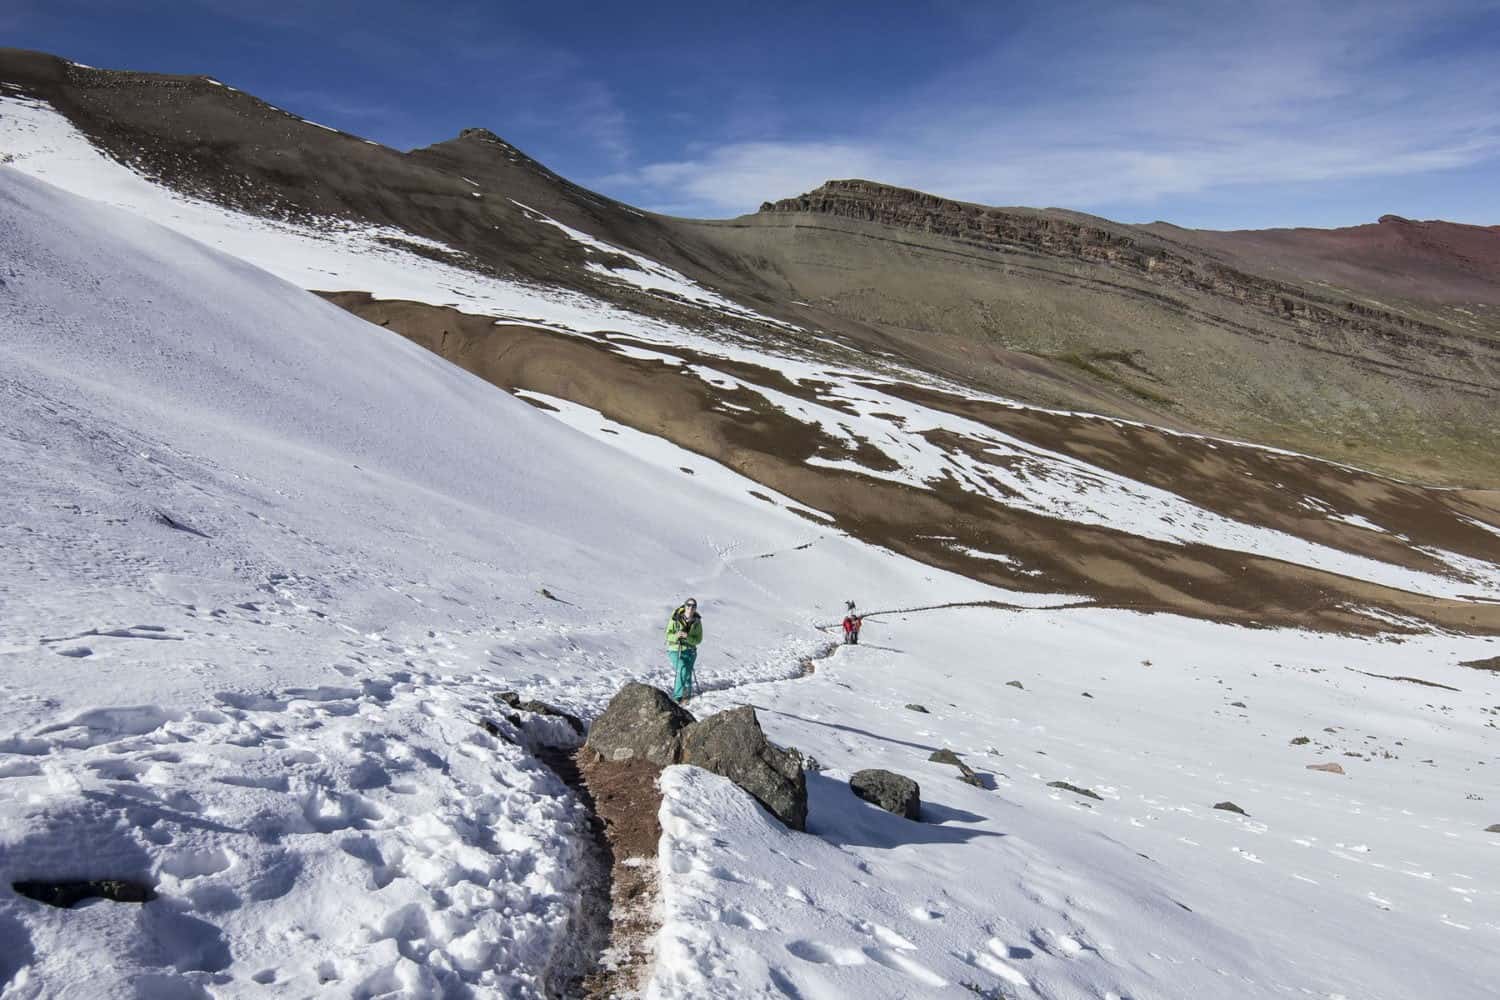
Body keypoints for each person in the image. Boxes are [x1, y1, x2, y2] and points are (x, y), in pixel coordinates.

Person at [666, 598, 703, 703]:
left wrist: (688, 637)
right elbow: (667, 635)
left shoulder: (697, 621)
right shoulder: (675, 618)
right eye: (688, 605)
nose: (690, 608)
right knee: (682, 670)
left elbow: (698, 639)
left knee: (687, 673)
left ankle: (686, 696)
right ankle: (677, 696)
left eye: (693, 606)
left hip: (690, 651)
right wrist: (676, 636)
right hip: (675, 649)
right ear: (684, 606)